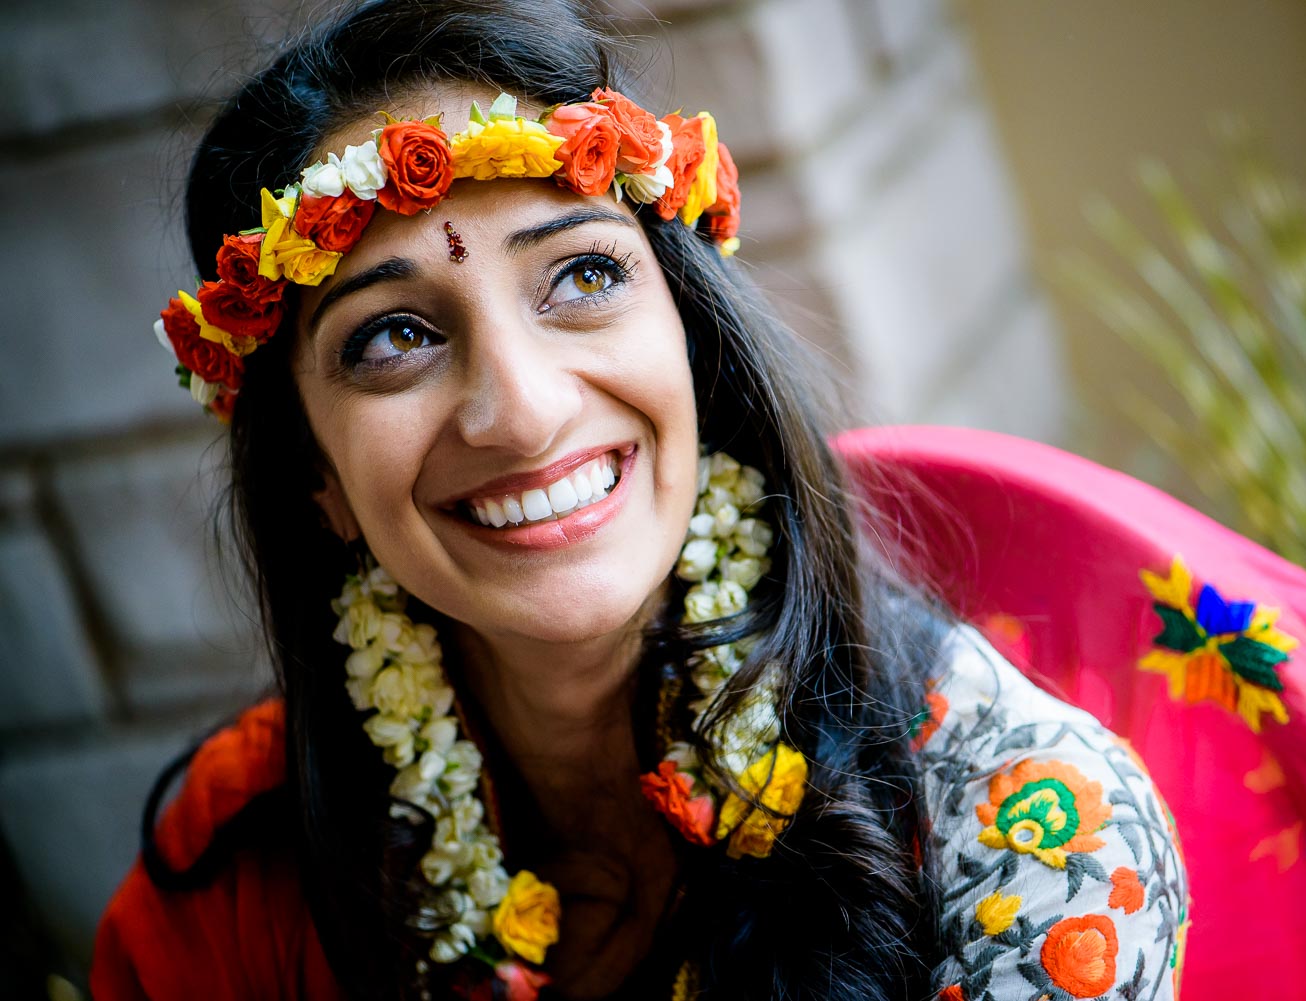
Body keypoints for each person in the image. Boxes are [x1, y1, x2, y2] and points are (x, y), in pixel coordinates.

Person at [91, 2, 1187, 998]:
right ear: (315, 477)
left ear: (693, 345)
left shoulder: (1027, 840)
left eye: (581, 276)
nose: (518, 413)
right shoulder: (232, 878)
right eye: (395, 336)